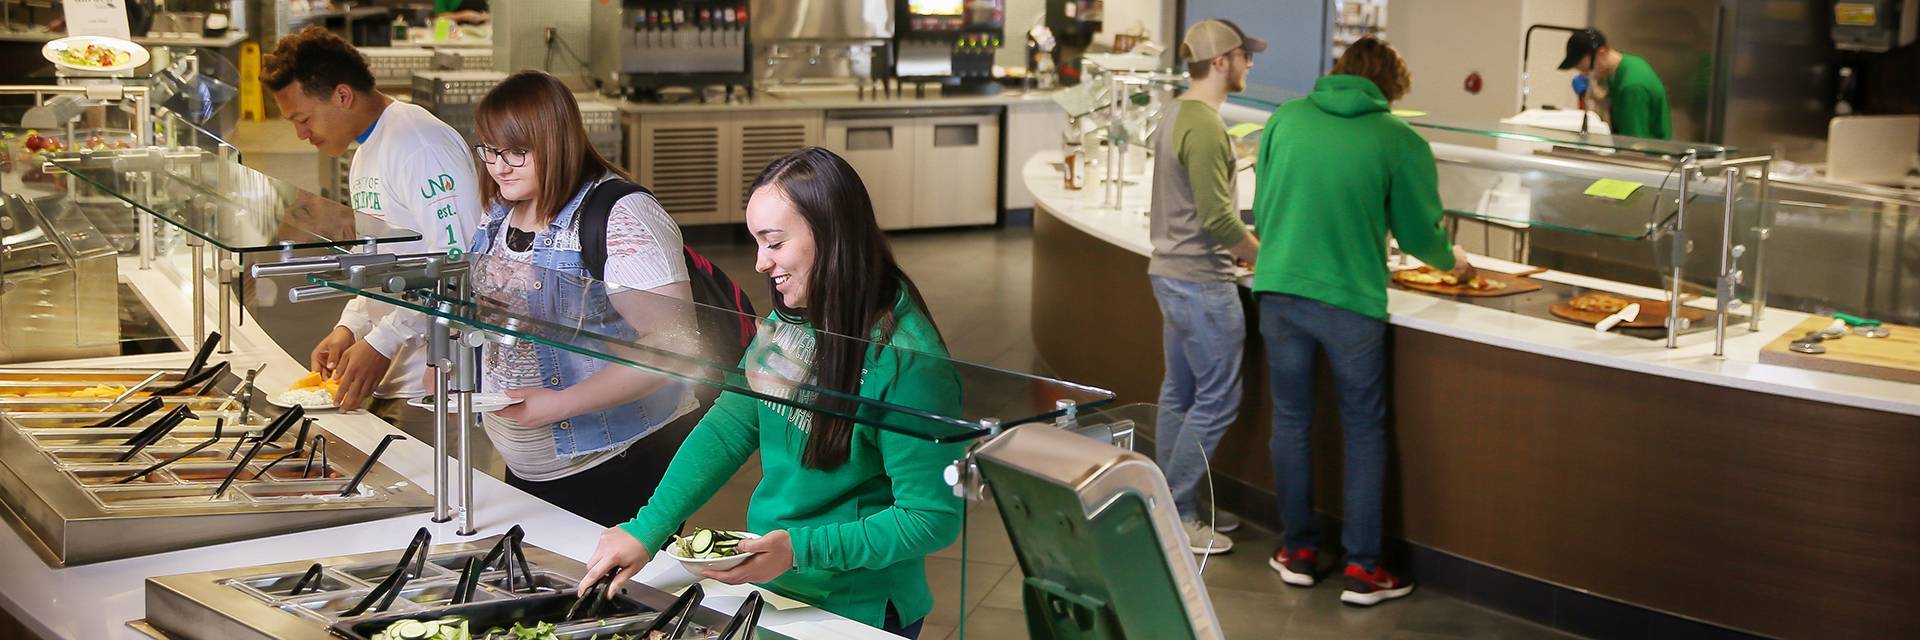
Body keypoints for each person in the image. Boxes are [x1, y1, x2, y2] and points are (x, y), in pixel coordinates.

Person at [577, 147, 963, 639]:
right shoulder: (795, 314)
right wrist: (647, 529)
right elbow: (731, 425)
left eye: (774, 243)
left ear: (832, 237)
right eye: (756, 243)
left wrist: (800, 550)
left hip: (855, 607)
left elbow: (932, 518)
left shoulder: (909, 361)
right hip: (775, 584)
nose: (760, 263)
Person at [1250, 36, 1475, 607]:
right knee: (1363, 431)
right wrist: (1457, 263)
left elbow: (1267, 199)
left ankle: (1298, 552)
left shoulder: (1287, 119)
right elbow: (1420, 234)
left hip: (1278, 287)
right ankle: (1363, 568)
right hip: (1350, 301)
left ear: (1339, 70)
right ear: (1391, 88)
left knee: (1293, 422)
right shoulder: (1397, 138)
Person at [463, 70, 702, 526]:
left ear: (556, 142)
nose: (499, 166)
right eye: (490, 150)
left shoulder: (620, 216)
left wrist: (558, 405)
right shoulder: (500, 207)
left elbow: (674, 348)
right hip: (534, 467)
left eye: (516, 151)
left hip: (618, 459)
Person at [264, 25, 482, 412]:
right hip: (388, 372)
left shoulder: (419, 146)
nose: (300, 134)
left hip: (434, 383)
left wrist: (383, 341)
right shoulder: (364, 151)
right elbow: (376, 257)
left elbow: (457, 261)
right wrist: (351, 326)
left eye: (303, 118)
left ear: (342, 95)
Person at [1147, 18, 1264, 556]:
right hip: (1202, 282)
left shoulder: (1175, 112)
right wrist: (1266, 256)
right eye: (1244, 57)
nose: (1250, 66)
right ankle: (1180, 509)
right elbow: (1219, 220)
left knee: (1180, 393)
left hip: (1169, 274)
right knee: (1216, 400)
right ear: (1221, 62)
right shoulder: (1208, 127)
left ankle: (1161, 503)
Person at [1559, 28, 1671, 140]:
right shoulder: (1624, 66)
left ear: (1602, 53)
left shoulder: (1631, 87)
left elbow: (1634, 145)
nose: (1585, 76)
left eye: (1587, 70)